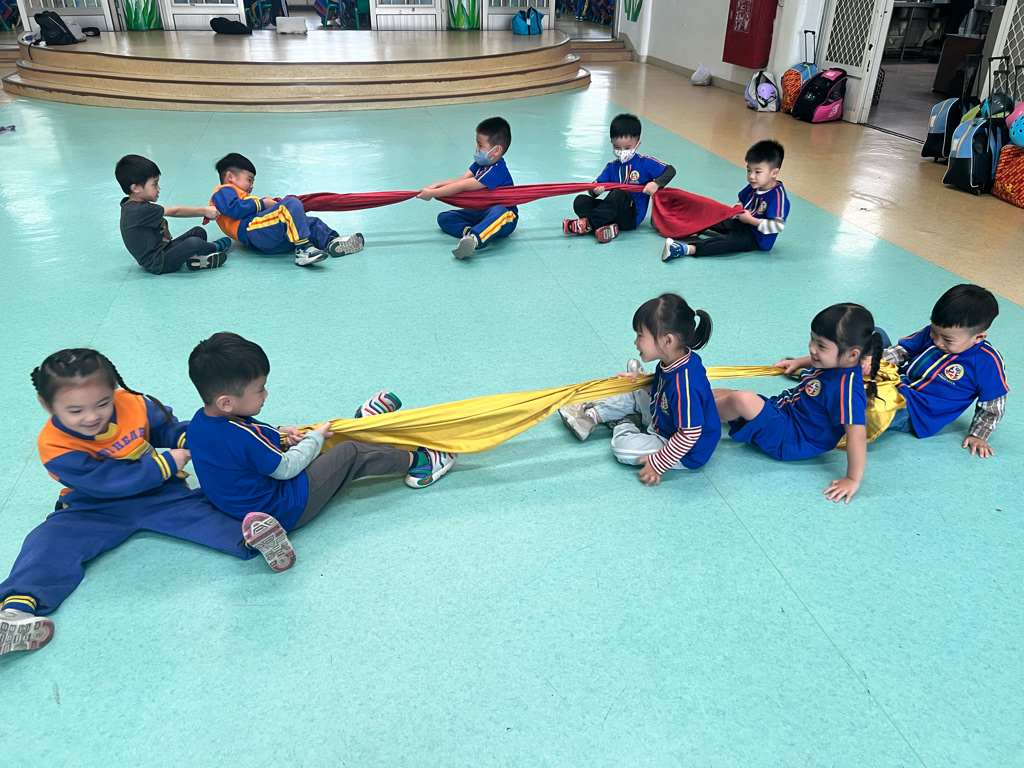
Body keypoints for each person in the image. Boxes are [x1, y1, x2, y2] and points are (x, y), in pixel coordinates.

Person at [0, 349, 295, 657]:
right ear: (47, 405)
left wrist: (245, 439)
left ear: (114, 391)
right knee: (48, 541)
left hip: (161, 494)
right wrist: (164, 465)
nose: (92, 417)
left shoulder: (134, 404)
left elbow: (171, 430)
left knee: (207, 510)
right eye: (75, 411)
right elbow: (105, 481)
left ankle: (257, 538)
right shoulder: (54, 445)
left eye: (103, 403)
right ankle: (16, 610)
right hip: (94, 506)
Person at [185, 333, 456, 536]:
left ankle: (362, 425)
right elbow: (286, 468)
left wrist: (279, 433)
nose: (266, 394)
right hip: (285, 509)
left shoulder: (199, 422)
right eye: (260, 389)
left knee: (317, 444)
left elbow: (248, 437)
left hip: (239, 507)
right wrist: (314, 438)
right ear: (226, 402)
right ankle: (423, 461)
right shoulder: (240, 436)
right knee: (349, 453)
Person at [715, 303, 882, 504]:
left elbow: (857, 434)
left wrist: (852, 479)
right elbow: (823, 356)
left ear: (852, 355)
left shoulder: (847, 391)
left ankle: (691, 414)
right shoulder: (836, 361)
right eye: (812, 339)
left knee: (741, 399)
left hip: (792, 438)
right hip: (784, 411)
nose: (812, 348)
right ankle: (691, 400)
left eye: (821, 346)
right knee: (727, 394)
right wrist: (798, 363)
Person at [557, 293, 719, 486]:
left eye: (640, 336)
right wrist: (643, 383)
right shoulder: (673, 359)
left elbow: (689, 435)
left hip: (682, 448)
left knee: (622, 450)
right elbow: (665, 390)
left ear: (667, 341)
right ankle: (593, 416)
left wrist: (658, 464)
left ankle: (625, 421)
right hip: (663, 417)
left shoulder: (685, 384)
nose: (636, 342)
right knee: (633, 387)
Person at [882, 284, 1007, 457]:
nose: (937, 342)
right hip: (894, 380)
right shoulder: (933, 333)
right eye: (934, 332)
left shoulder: (987, 363)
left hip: (915, 411)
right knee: (875, 334)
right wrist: (875, 362)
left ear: (978, 337)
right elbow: (903, 351)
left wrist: (978, 435)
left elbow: (993, 405)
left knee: (866, 409)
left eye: (948, 340)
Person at [210, 153, 364, 267]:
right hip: (251, 230)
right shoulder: (224, 190)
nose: (251, 186)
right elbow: (234, 209)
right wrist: (263, 204)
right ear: (230, 176)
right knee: (291, 204)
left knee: (308, 222)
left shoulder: (242, 196)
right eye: (249, 180)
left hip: (268, 240)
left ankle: (331, 242)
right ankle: (303, 249)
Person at [662, 139, 789, 260]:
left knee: (728, 242)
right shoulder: (755, 185)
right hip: (742, 222)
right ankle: (673, 222)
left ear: (774, 173)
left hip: (755, 237)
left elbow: (777, 226)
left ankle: (686, 249)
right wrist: (737, 208)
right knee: (712, 215)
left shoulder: (778, 197)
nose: (751, 176)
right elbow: (741, 200)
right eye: (749, 170)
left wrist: (751, 220)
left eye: (758, 172)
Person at [563, 113, 676, 243]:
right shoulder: (611, 167)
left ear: (637, 145)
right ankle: (605, 228)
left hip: (631, 217)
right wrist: (595, 191)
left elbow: (670, 170)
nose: (622, 151)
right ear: (611, 143)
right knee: (580, 201)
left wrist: (656, 184)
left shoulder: (645, 163)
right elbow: (593, 188)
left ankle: (587, 225)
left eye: (627, 148)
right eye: (617, 147)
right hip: (612, 213)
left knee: (619, 193)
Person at [418, 117, 518, 260]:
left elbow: (462, 186)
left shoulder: (496, 171)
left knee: (499, 211)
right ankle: (470, 233)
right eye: (477, 144)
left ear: (496, 150)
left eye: (480, 145)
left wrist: (433, 193)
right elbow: (460, 180)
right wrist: (437, 185)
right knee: (444, 218)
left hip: (506, 216)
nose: (477, 149)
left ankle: (474, 239)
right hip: (481, 210)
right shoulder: (481, 163)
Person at [116, 154, 231, 274]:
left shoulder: (134, 205)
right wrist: (204, 210)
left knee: (198, 232)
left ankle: (197, 259)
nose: (159, 188)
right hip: (159, 262)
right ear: (136, 188)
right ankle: (214, 247)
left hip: (165, 248)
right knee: (193, 243)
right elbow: (175, 211)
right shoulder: (138, 210)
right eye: (154, 184)